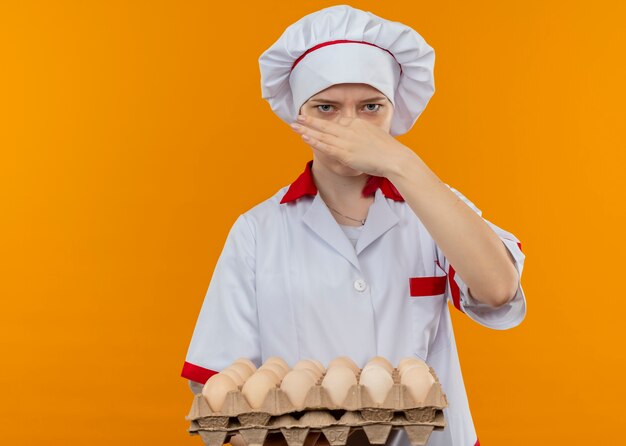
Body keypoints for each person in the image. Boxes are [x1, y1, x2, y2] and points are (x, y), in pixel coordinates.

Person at [181, 5, 527, 446]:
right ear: (299, 117)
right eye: (326, 108)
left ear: (394, 112)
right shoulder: (258, 230)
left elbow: (498, 290)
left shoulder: (433, 206)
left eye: (370, 107)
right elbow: (220, 380)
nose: (350, 126)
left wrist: (400, 161)